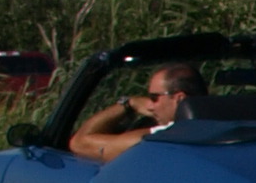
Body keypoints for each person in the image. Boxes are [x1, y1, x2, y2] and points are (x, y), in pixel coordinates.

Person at [69, 61, 205, 163]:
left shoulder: (161, 137)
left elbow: (79, 144)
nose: (150, 106)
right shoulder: (221, 126)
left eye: (154, 98)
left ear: (179, 99)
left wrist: (129, 104)